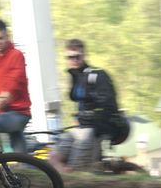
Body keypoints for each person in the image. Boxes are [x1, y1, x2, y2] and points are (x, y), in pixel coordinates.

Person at [50, 39, 128, 172]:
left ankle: (74, 182)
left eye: (77, 56)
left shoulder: (97, 75)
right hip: (80, 127)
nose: (74, 60)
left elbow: (109, 105)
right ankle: (62, 183)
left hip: (94, 130)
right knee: (53, 159)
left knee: (75, 168)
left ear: (84, 56)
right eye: (70, 57)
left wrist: (95, 120)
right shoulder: (75, 76)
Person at [0, 19, 31, 153]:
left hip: (18, 114)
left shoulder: (16, 55)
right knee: (18, 148)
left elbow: (10, 90)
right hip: (4, 113)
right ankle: (25, 168)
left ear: (7, 36)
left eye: (0, 38)